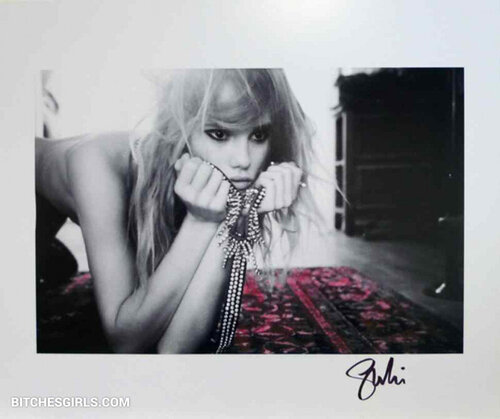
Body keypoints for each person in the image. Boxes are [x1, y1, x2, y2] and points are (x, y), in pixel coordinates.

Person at [35, 69, 321, 353]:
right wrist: (200, 221)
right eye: (219, 134)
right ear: (181, 132)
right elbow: (126, 343)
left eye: (258, 135)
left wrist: (236, 217)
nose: (243, 160)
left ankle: (53, 257)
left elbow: (174, 349)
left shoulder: (217, 175)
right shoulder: (96, 166)